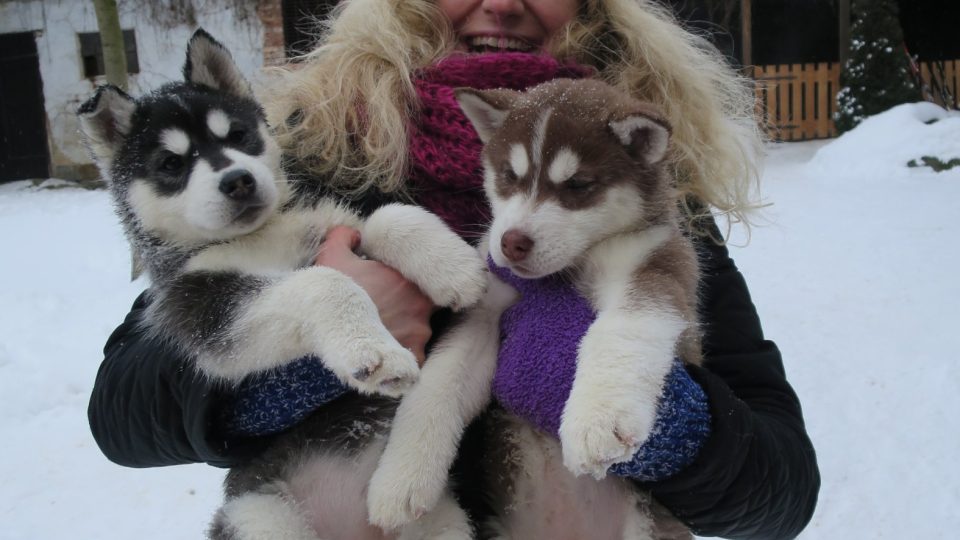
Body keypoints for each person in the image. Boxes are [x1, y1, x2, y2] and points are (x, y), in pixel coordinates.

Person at [88, 0, 820, 538]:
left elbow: (781, 486)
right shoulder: (318, 152)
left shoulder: (648, 180)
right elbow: (125, 410)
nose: (500, 4)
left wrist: (649, 414)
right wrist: (324, 348)